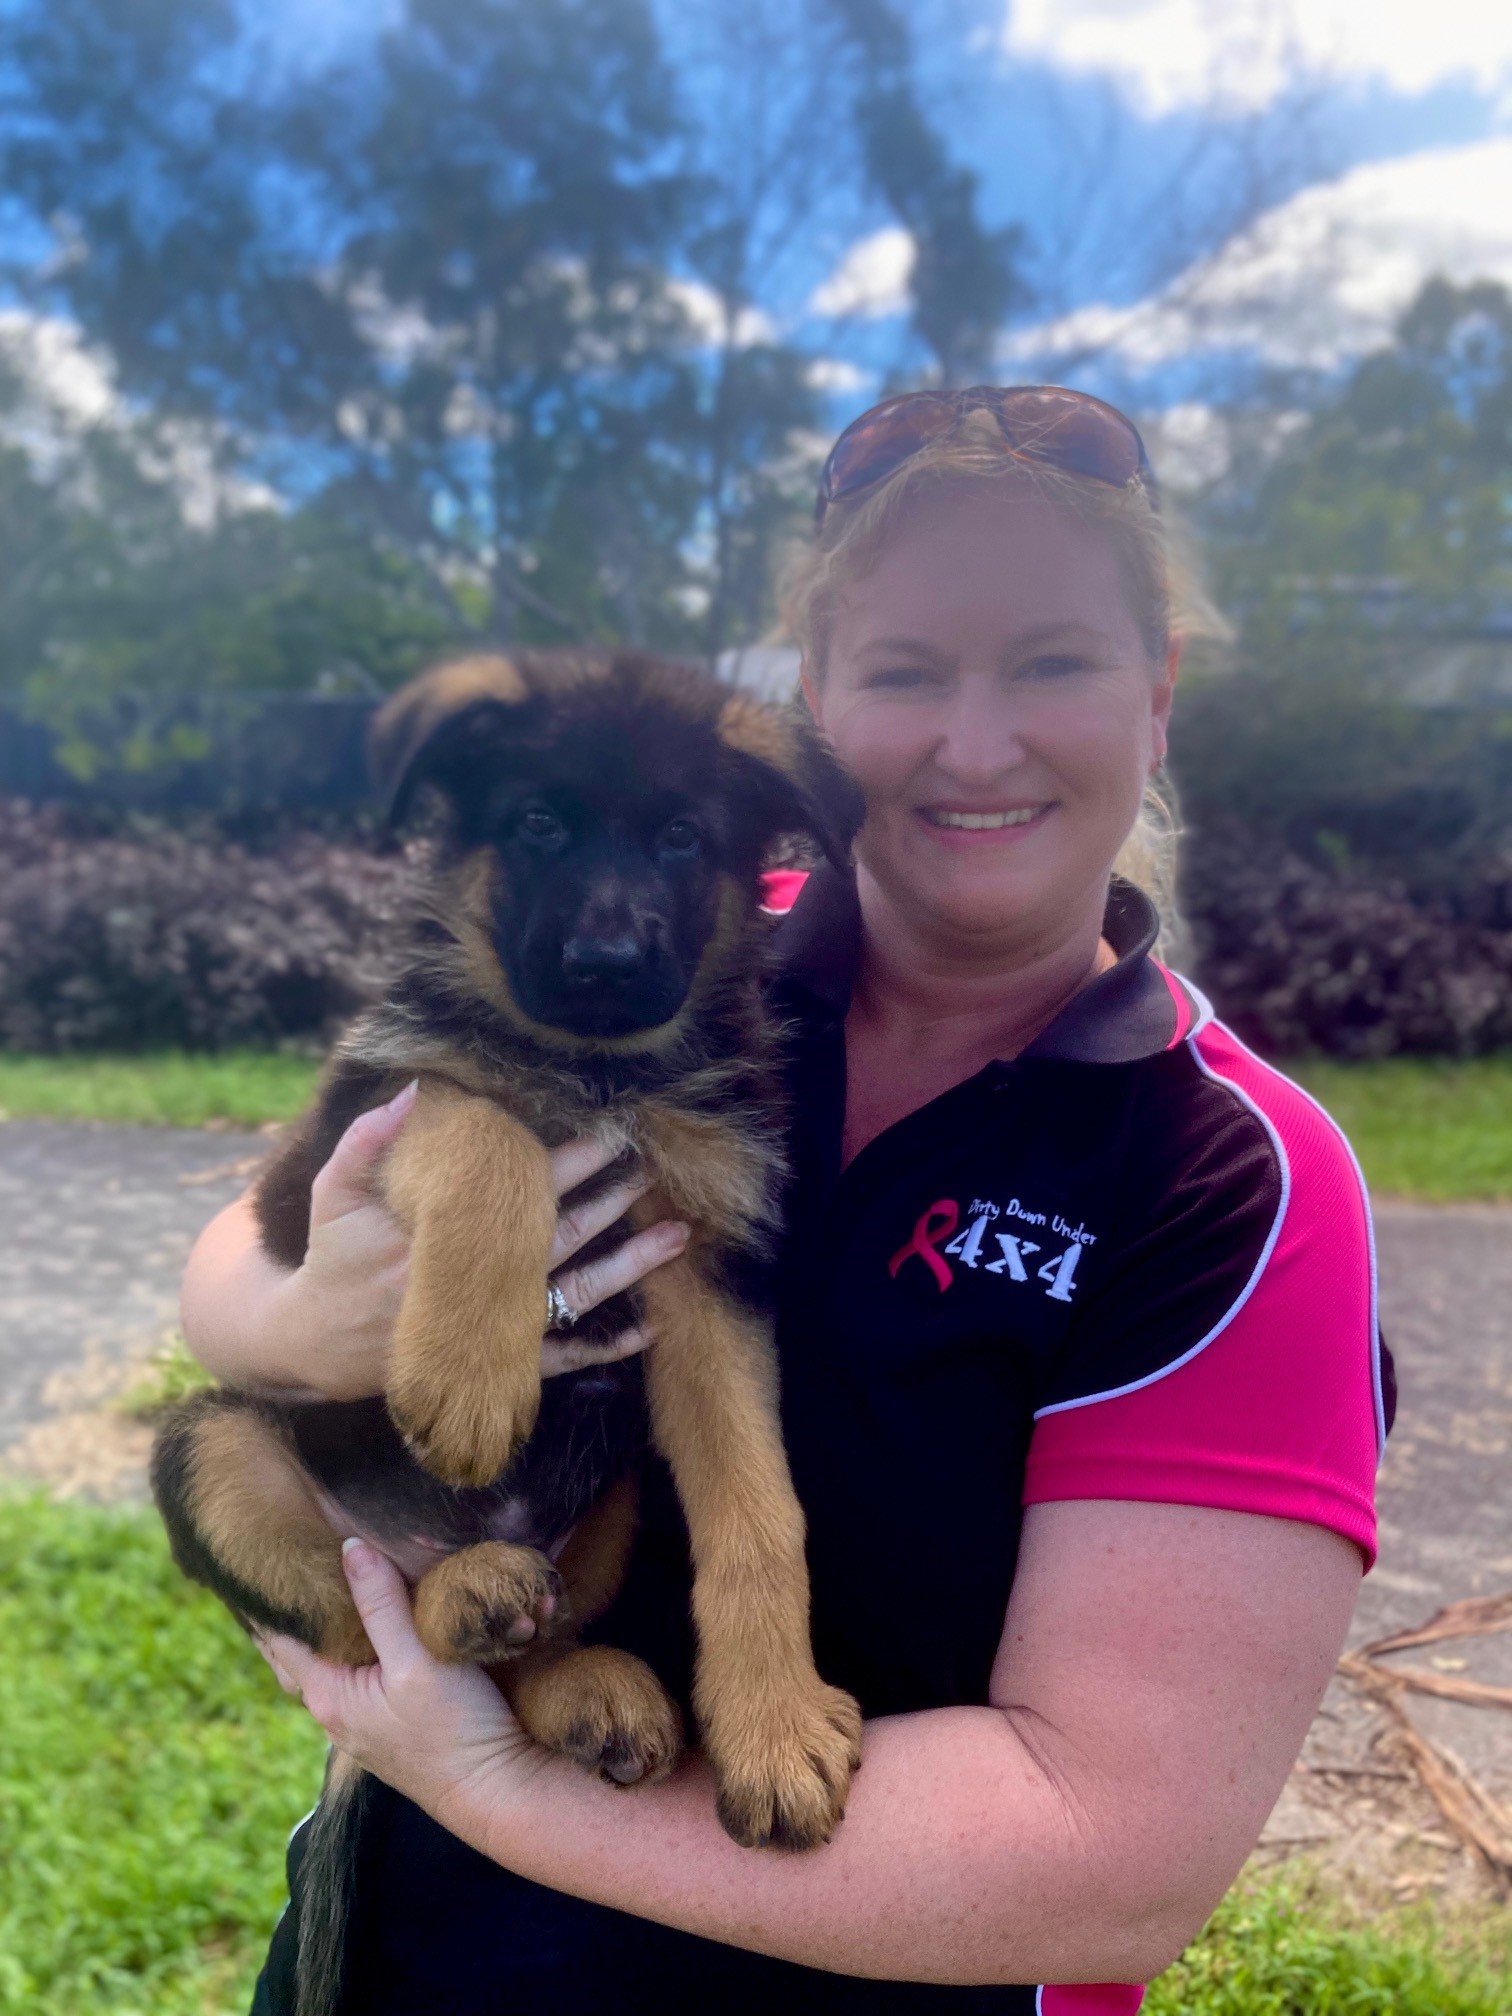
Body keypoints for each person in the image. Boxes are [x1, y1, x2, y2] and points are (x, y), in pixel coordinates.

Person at [181, 387, 1391, 2016]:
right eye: (905, 671)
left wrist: (488, 1785)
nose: (977, 741)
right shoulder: (690, 954)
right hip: (407, 1958)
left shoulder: (1237, 1175)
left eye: (1052, 661)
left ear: (1157, 692)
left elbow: (1111, 1863)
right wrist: (298, 1309)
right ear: (818, 703)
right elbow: (253, 1271)